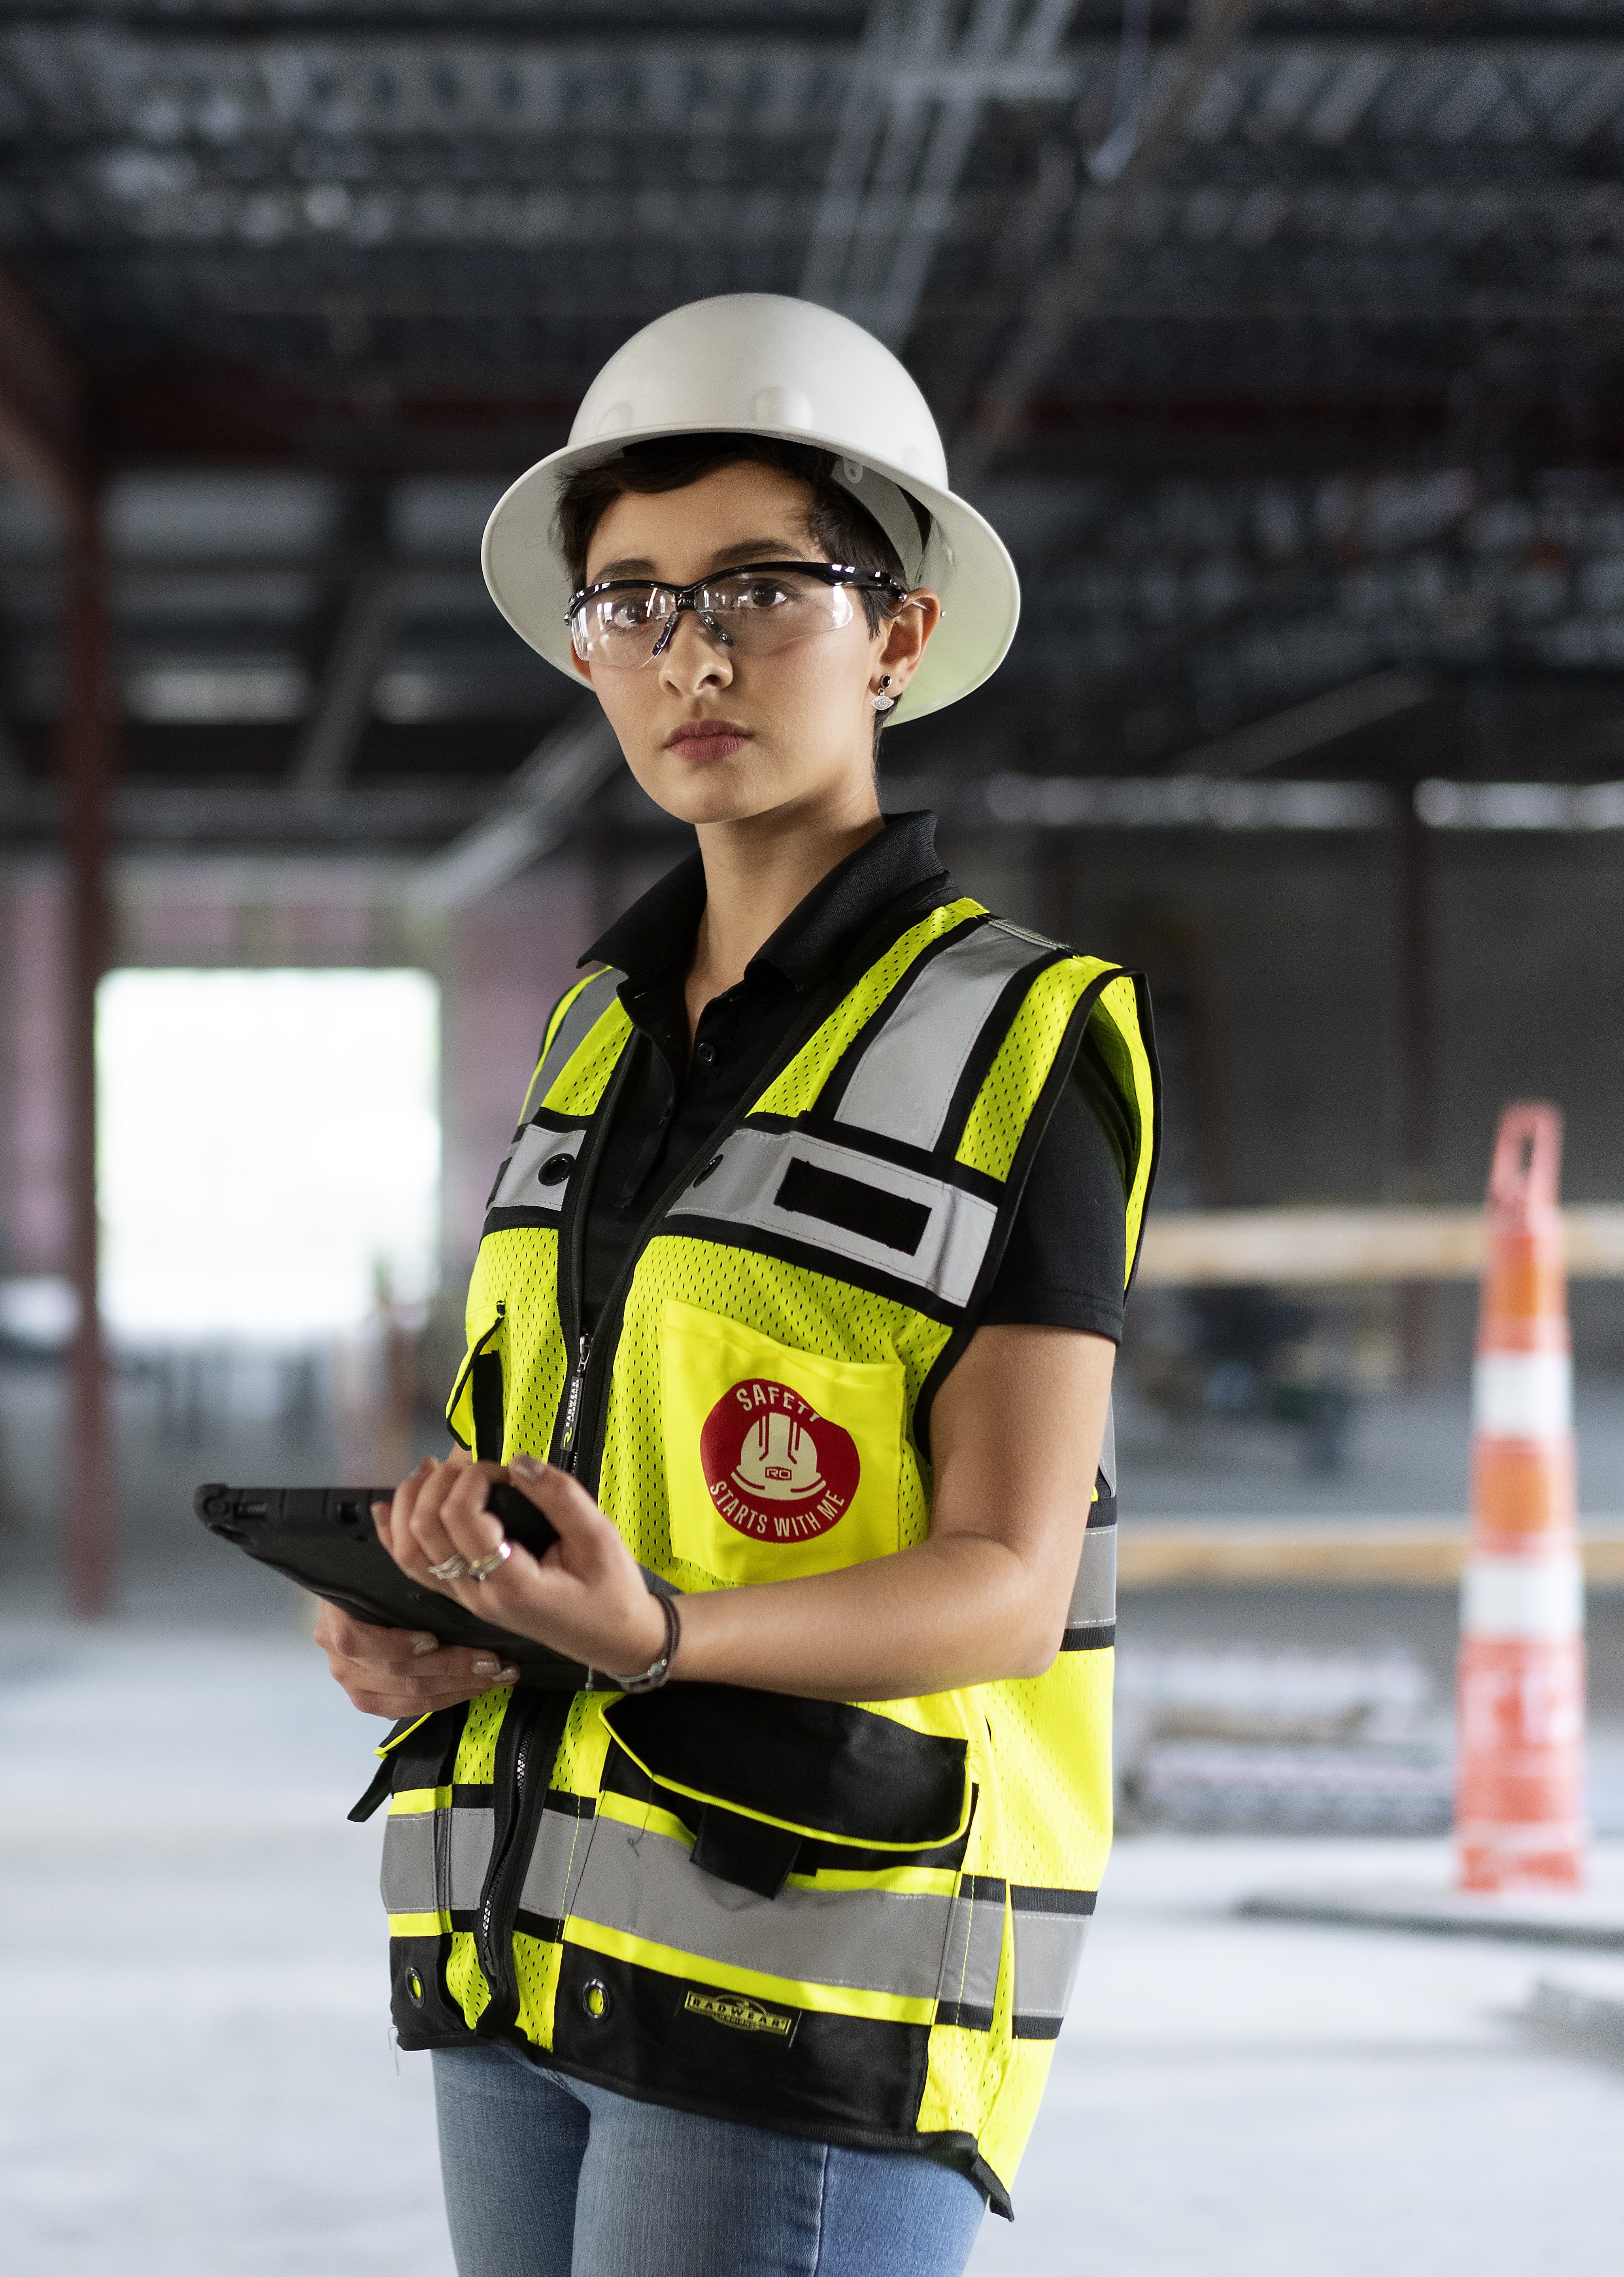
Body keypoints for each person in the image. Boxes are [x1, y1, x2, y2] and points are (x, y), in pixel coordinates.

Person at [314, 295, 1155, 2277]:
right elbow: (552, 1472)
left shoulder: (1024, 1037)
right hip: (521, 1963)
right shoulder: (594, 1035)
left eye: (764, 589)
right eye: (632, 602)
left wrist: (659, 1629)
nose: (692, 651)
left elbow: (1010, 1587)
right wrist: (447, 1619)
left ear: (902, 632)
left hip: (807, 1986)